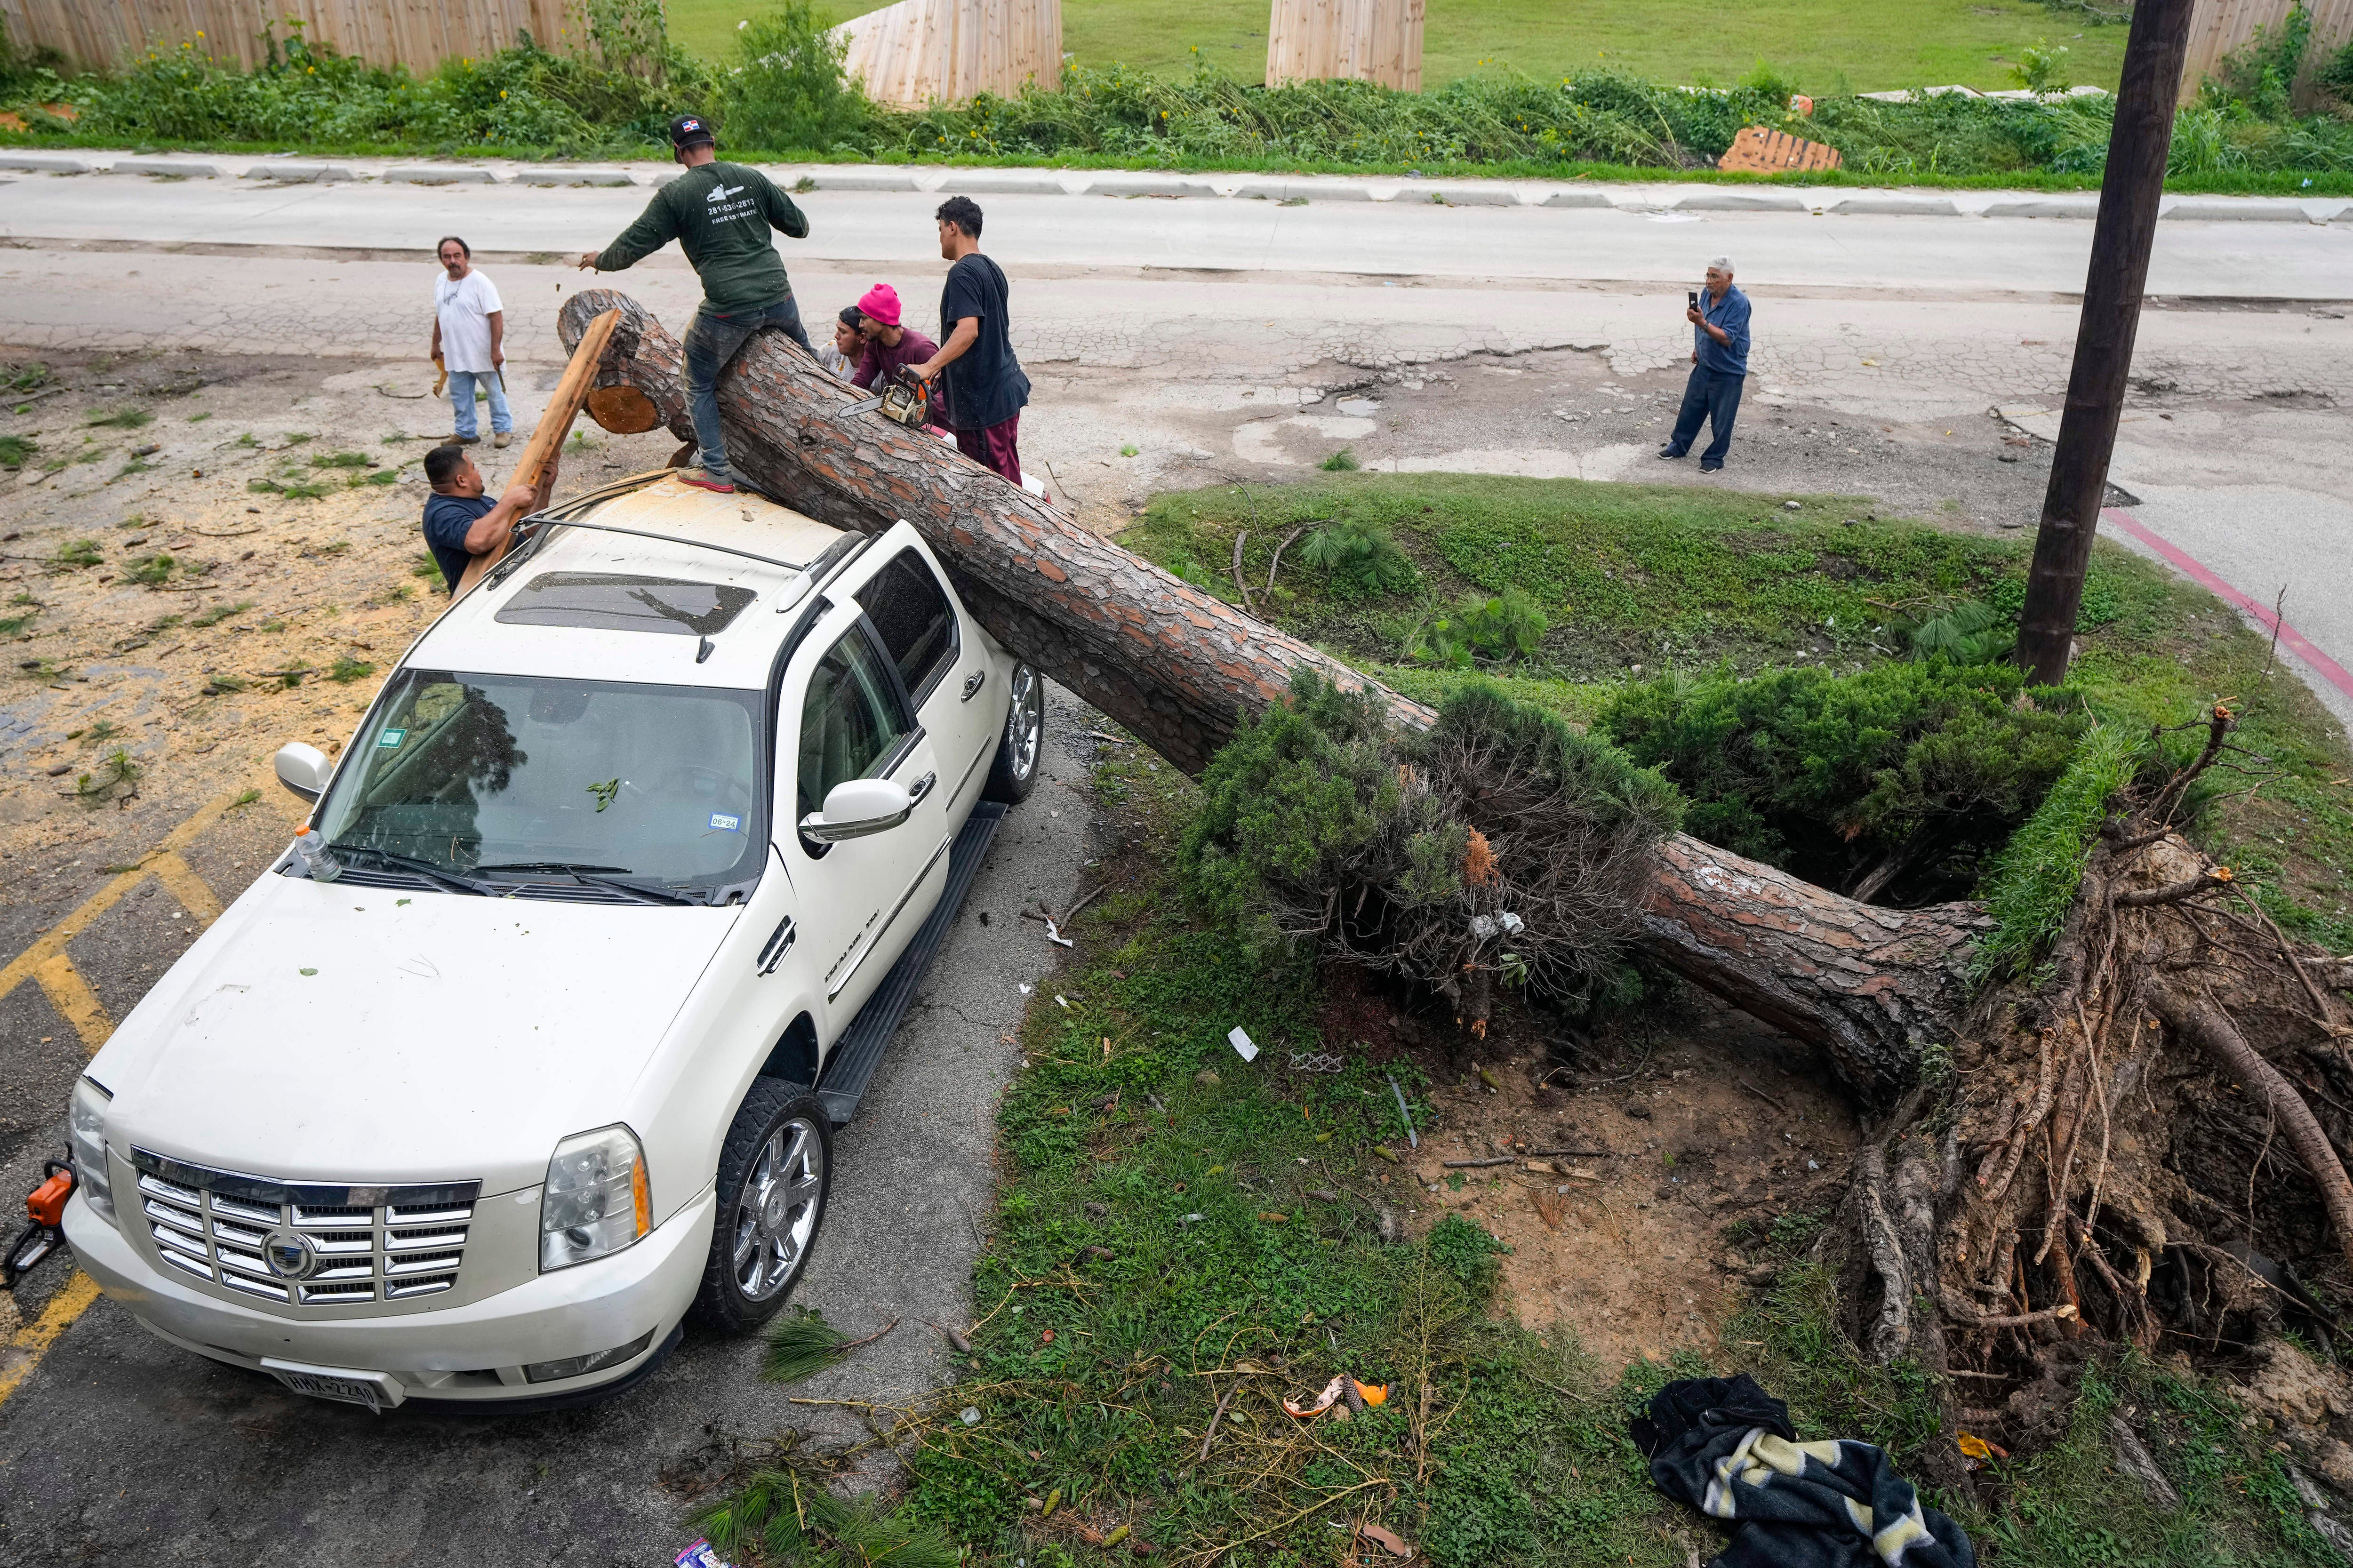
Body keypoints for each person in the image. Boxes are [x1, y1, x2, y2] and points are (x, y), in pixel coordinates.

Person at [576, 113, 812, 496]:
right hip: (778, 295)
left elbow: (636, 243)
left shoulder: (676, 196)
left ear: (677, 152)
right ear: (713, 142)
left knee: (696, 379)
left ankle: (717, 470)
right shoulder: (751, 178)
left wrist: (601, 259)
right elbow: (799, 226)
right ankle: (832, 401)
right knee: (810, 361)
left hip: (728, 308)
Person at [908, 197, 1031, 486]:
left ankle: (1012, 532)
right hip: (1002, 392)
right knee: (1008, 477)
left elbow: (968, 331)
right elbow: (985, 336)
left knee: (993, 490)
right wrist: (944, 367)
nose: (939, 238)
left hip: (983, 403)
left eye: (940, 230)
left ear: (953, 228)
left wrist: (929, 365)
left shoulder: (961, 273)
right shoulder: (991, 268)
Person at [421, 444, 556, 594]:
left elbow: (529, 530)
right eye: (473, 468)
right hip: (489, 599)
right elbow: (478, 541)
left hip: (521, 581)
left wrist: (545, 488)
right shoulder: (441, 514)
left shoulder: (477, 499)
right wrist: (509, 502)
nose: (477, 471)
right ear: (462, 481)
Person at [1659, 256, 1751, 474]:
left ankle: (1714, 458)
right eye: (1708, 275)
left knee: (1722, 420)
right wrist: (1698, 347)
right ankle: (1679, 446)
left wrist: (1701, 323)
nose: (1709, 281)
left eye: (1715, 277)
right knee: (1690, 409)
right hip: (1705, 365)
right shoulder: (1706, 294)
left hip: (1728, 371)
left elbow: (1727, 337)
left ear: (1729, 278)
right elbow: (1704, 325)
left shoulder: (1739, 303)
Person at [431, 236, 510, 449]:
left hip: (483, 353)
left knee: (494, 393)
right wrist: (435, 344)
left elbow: (496, 317)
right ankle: (465, 432)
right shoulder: (441, 281)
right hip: (456, 353)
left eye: (457, 256)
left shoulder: (480, 282)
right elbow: (440, 313)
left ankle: (503, 430)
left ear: (466, 257)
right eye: (447, 257)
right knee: (459, 395)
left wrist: (495, 350)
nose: (453, 261)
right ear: (441, 260)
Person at [849, 283, 949, 431]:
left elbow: (947, 395)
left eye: (864, 319)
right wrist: (846, 396)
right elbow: (862, 380)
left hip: (938, 425)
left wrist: (916, 406)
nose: (861, 325)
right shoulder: (875, 345)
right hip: (904, 423)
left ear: (881, 318)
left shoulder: (921, 348)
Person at [819, 306, 863, 378]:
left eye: (843, 332)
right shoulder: (830, 350)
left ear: (862, 338)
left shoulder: (881, 372)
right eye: (838, 329)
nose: (836, 336)